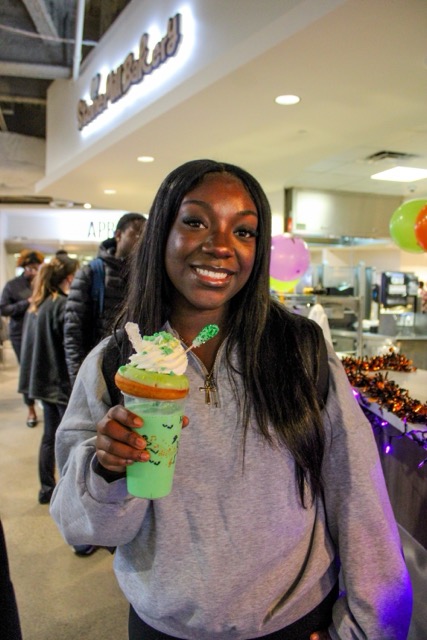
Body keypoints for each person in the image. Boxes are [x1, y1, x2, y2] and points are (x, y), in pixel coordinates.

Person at [50, 160, 412, 640]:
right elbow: (85, 528)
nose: (220, 245)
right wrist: (109, 471)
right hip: (165, 628)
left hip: (297, 623)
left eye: (243, 232)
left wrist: (370, 629)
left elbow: (357, 492)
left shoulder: (299, 349)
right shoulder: (115, 362)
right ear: (162, 232)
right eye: (195, 221)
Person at [64, 212, 146, 385]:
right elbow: (73, 331)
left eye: (145, 236)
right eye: (136, 234)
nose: (141, 241)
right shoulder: (92, 272)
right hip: (96, 368)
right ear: (118, 235)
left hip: (135, 370)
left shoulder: (145, 276)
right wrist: (78, 379)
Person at [26, 256, 79, 506]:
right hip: (60, 383)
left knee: (49, 436)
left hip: (43, 382)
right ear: (69, 277)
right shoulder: (63, 305)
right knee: (66, 439)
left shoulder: (40, 304)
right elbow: (69, 349)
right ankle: (66, 494)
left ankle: (47, 488)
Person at [0, 249, 44, 427]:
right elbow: (3, 309)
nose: (33, 271)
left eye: (36, 268)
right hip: (20, 334)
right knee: (26, 371)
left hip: (40, 332)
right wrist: (25, 303)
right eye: (30, 268)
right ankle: (31, 409)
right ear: (24, 267)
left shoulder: (42, 283)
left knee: (41, 369)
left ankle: (42, 400)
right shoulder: (13, 285)